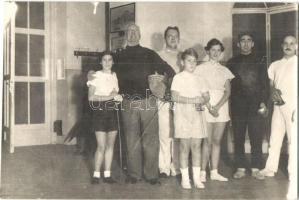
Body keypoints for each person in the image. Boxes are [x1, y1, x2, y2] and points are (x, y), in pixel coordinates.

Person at [114, 23, 176, 185]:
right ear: (125, 35)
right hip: (127, 102)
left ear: (140, 35)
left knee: (150, 139)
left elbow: (169, 71)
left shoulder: (149, 54)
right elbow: (103, 69)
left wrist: (163, 82)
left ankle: (151, 174)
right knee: (131, 139)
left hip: (148, 101)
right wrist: (93, 73)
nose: (132, 34)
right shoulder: (118, 56)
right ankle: (134, 174)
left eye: (135, 31)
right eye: (129, 31)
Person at [227, 32, 269, 180]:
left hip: (256, 104)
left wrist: (263, 102)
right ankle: (240, 167)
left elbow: (265, 84)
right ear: (238, 44)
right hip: (238, 105)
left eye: (248, 40)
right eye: (242, 40)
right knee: (238, 137)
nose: (245, 43)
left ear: (252, 43)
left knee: (256, 136)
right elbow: (228, 86)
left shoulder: (260, 61)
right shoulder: (231, 62)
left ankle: (256, 167)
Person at [195, 39, 234, 182]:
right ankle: (202, 173)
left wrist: (217, 107)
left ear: (221, 52)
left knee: (217, 141)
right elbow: (198, 90)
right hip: (206, 106)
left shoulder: (225, 70)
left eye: (218, 50)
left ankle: (214, 172)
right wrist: (210, 107)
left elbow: (228, 92)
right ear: (207, 51)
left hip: (221, 107)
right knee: (207, 141)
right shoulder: (199, 69)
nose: (216, 53)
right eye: (213, 50)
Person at [260, 36, 297, 181]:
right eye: (286, 43)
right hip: (277, 106)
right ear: (282, 45)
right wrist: (272, 91)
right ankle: (270, 168)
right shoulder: (274, 65)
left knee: (293, 140)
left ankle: (293, 172)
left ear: (296, 46)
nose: (288, 46)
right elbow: (271, 84)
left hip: (293, 106)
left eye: (292, 43)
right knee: (274, 138)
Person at [171, 48, 210, 189]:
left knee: (196, 146)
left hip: (197, 114)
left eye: (194, 61)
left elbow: (207, 96)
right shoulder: (178, 78)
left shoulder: (200, 79)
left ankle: (197, 178)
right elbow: (174, 97)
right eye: (189, 61)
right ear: (182, 62)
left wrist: (204, 99)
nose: (192, 64)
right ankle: (185, 179)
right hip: (182, 114)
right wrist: (193, 100)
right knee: (184, 147)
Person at [87, 51, 123, 184]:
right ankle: (96, 175)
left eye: (110, 60)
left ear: (113, 62)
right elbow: (91, 97)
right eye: (104, 60)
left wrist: (117, 98)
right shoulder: (95, 76)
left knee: (110, 146)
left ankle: (107, 174)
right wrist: (110, 96)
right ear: (100, 62)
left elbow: (115, 93)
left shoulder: (114, 76)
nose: (107, 62)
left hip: (112, 112)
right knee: (101, 146)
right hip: (100, 113)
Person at [157, 26, 181, 178]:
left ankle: (177, 167)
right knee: (164, 133)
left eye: (175, 36)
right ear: (165, 38)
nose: (173, 38)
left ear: (179, 38)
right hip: (164, 99)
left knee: (178, 134)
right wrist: (163, 93)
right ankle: (164, 167)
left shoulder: (184, 55)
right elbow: (155, 79)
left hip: (180, 100)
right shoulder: (158, 56)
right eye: (170, 36)